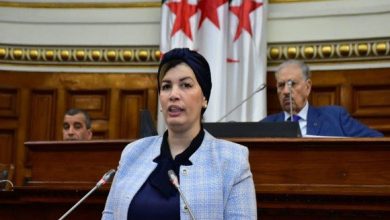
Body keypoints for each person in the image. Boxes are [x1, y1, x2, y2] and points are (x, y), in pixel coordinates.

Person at [102, 48, 257, 219]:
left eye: (186, 85)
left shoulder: (232, 160)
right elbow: (110, 215)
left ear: (204, 97)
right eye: (166, 86)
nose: (173, 95)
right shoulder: (133, 152)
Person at [261, 59, 383, 137]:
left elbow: (376, 142)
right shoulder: (265, 126)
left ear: (307, 87)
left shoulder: (336, 117)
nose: (286, 91)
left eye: (292, 84)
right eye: (281, 85)